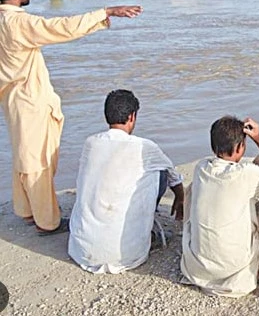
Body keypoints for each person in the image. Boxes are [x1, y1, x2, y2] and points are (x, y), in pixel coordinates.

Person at [0, 0, 142, 235]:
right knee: (38, 160)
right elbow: (61, 28)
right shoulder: (18, 22)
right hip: (30, 101)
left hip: (12, 100)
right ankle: (46, 221)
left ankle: (27, 210)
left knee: (24, 153)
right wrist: (105, 12)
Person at [68, 90, 185, 273]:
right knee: (159, 172)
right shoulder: (145, 147)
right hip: (127, 255)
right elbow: (172, 175)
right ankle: (146, 229)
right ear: (132, 117)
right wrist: (180, 197)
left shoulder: (90, 143)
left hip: (81, 250)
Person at [181, 116, 259, 297]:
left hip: (198, 267)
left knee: (193, 188)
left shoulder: (201, 167)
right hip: (234, 268)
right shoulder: (245, 173)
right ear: (241, 148)